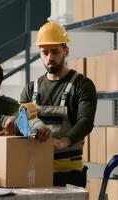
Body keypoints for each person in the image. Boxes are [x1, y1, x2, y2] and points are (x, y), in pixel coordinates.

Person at [19, 22, 97, 187]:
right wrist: (33, 129)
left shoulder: (82, 85)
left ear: (66, 51)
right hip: (35, 169)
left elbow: (86, 121)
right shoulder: (31, 88)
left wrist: (64, 141)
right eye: (45, 52)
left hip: (69, 172)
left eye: (55, 52)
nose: (50, 58)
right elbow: (22, 119)